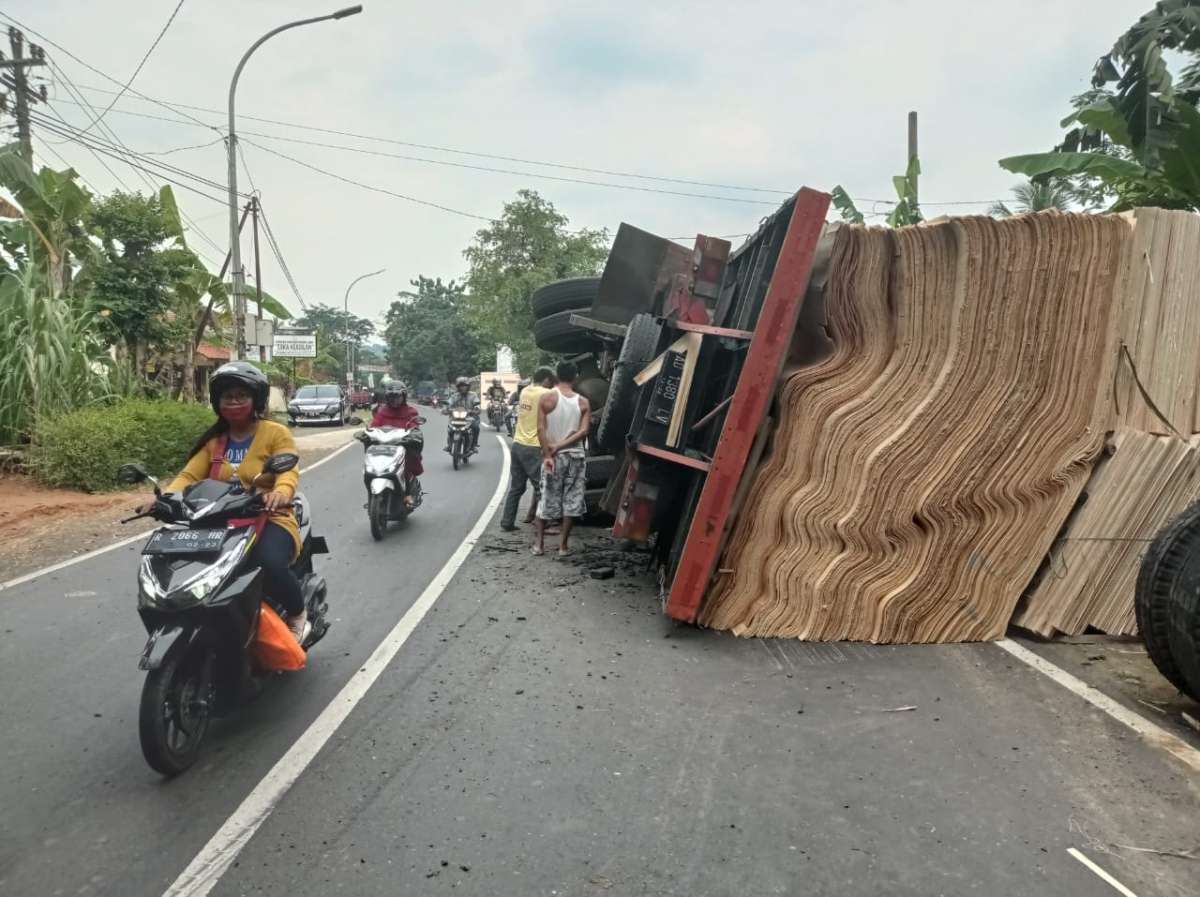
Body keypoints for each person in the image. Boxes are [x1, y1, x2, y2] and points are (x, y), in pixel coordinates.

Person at [163, 362, 310, 642]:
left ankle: (297, 613)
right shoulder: (215, 442)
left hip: (268, 516)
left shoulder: (275, 433)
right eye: (227, 396)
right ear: (217, 402)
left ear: (256, 400)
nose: (233, 401)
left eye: (241, 395)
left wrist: (280, 492)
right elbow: (188, 476)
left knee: (268, 562)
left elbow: (288, 469)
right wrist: (166, 499)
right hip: (219, 521)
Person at [534, 361, 591, 557]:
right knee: (572, 501)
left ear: (557, 376)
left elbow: (540, 428)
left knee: (547, 498)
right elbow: (583, 431)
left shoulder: (547, 398)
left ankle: (539, 545)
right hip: (576, 457)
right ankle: (563, 547)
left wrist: (549, 453)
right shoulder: (583, 402)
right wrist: (562, 445)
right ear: (576, 377)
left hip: (554, 457)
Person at [500, 367, 556, 532]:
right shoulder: (545, 394)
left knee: (517, 487)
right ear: (546, 380)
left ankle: (507, 522)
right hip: (533, 446)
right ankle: (545, 525)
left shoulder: (525, 391)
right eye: (551, 381)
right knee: (541, 487)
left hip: (518, 444)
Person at [369, 381, 424, 504]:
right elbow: (374, 425)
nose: (395, 400)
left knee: (407, 461)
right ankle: (371, 493)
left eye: (397, 396)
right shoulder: (382, 411)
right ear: (387, 397)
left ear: (403, 397)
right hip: (384, 447)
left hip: (403, 447)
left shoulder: (411, 412)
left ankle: (408, 493)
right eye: (391, 396)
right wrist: (368, 433)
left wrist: (411, 434)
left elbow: (415, 427)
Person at [446, 376, 481, 453]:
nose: (463, 388)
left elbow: (477, 404)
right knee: (450, 429)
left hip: (470, 417)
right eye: (461, 386)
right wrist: (445, 409)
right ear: (458, 387)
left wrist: (476, 409)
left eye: (465, 386)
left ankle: (474, 445)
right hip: (456, 417)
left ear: (468, 386)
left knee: (476, 427)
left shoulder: (473, 395)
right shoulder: (454, 396)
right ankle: (449, 445)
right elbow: (449, 403)